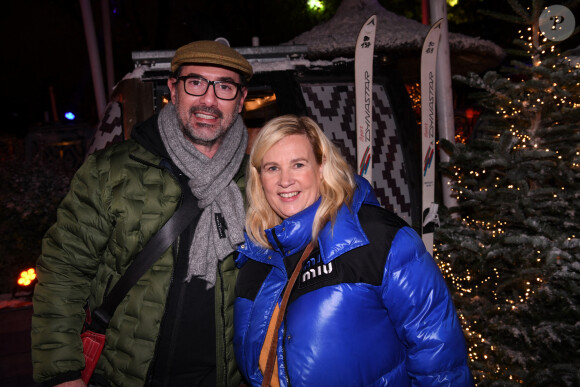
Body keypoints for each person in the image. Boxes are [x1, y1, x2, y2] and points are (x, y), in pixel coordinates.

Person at [31, 40, 252, 387]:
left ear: (240, 100)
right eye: (196, 82)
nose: (209, 99)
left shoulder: (260, 179)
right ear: (173, 89)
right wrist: (63, 372)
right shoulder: (111, 172)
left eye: (224, 87)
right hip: (123, 375)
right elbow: (64, 271)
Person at [233, 115, 474, 386]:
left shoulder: (381, 238)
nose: (285, 180)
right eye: (272, 168)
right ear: (259, 178)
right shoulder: (256, 255)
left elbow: (439, 360)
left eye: (298, 164)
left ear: (322, 167)